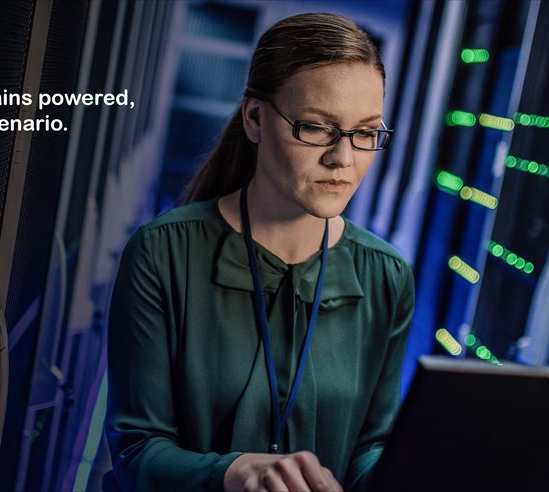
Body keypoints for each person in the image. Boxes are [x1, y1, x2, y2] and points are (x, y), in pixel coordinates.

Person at [103, 12, 414, 492]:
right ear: (254, 119)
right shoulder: (162, 252)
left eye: (366, 133)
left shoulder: (386, 276)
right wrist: (234, 473)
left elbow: (371, 445)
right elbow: (136, 451)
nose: (344, 159)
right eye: (316, 128)